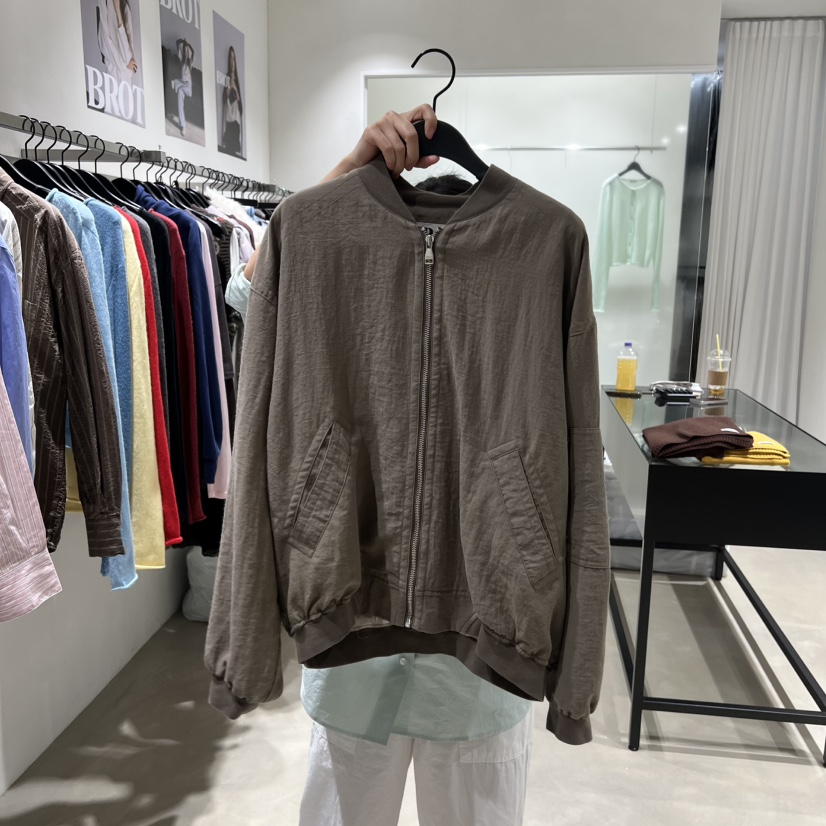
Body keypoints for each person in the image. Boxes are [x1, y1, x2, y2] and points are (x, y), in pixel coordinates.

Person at [225, 104, 534, 826]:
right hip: (352, 644)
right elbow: (250, 292)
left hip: (479, 660)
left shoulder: (535, 254)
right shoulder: (326, 247)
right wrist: (347, 174)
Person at [96, 0, 138, 84]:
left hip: (124, 76)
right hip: (114, 75)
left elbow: (129, 52)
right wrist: (125, 67)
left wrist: (118, 10)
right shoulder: (105, 3)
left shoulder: (125, 6)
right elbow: (106, 44)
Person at [221, 46, 244, 157]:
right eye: (230, 58)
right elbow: (225, 95)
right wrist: (230, 88)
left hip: (236, 110)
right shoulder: (227, 77)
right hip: (230, 108)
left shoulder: (237, 79)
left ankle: (234, 149)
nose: (232, 61)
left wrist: (235, 88)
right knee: (230, 127)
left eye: (233, 58)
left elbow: (239, 99)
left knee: (235, 129)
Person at [171, 38, 194, 137]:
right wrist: (182, 42)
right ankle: (182, 125)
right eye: (185, 50)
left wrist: (189, 45)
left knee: (181, 85)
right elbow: (176, 43)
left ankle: (175, 83)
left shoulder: (190, 62)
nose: (186, 52)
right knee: (180, 93)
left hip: (188, 87)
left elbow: (194, 52)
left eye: (187, 51)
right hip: (182, 87)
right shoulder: (182, 61)